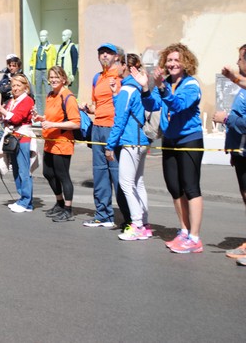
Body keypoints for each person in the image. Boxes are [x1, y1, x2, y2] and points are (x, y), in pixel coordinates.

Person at [134, 43, 204, 254]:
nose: (172, 64)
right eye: (169, 60)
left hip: (189, 139)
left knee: (191, 188)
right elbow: (152, 105)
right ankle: (184, 231)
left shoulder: (191, 85)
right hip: (170, 140)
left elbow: (178, 105)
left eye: (176, 60)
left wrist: (162, 88)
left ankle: (195, 237)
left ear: (186, 63)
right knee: (175, 188)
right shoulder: (166, 84)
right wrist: (146, 88)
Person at [80, 44, 130, 228]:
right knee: (99, 173)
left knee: (118, 175)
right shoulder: (97, 78)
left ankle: (129, 219)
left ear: (117, 57)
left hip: (114, 128)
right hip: (98, 128)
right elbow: (97, 106)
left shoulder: (122, 77)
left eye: (108, 52)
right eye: (101, 52)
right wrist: (87, 108)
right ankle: (103, 215)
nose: (104, 55)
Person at [106, 53, 152, 240]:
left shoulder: (128, 89)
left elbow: (120, 120)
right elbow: (130, 110)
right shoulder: (137, 88)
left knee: (125, 183)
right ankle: (145, 224)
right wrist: (116, 94)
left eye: (117, 62)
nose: (114, 65)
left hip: (131, 141)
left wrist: (110, 146)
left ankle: (137, 225)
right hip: (142, 141)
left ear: (124, 66)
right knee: (138, 183)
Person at [212, 44, 246, 263]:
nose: (237, 62)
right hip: (241, 153)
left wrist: (226, 119)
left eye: (241, 58)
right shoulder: (243, 89)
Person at [33, 66, 80, 222]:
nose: (53, 80)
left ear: (64, 79)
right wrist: (41, 118)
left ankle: (68, 209)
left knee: (62, 175)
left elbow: (75, 123)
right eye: (51, 77)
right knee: (48, 173)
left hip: (62, 142)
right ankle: (59, 203)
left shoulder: (68, 97)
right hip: (49, 141)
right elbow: (51, 117)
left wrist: (53, 124)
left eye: (56, 77)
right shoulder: (50, 95)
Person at [0, 74, 38, 213]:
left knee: (24, 170)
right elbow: (6, 119)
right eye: (14, 85)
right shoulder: (12, 101)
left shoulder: (27, 100)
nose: (15, 88)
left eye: (18, 85)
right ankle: (23, 199)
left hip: (23, 138)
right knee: (16, 169)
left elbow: (16, 119)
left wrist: (2, 109)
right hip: (12, 137)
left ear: (25, 87)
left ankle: (26, 200)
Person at [0, 54, 23, 165]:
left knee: (6, 133)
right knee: (4, 132)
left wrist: (9, 84)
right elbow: (1, 87)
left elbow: (3, 89)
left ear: (18, 67)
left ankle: (2, 157)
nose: (11, 67)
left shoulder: (19, 78)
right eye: (9, 65)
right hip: (5, 108)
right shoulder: (7, 76)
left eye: (13, 65)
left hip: (13, 109)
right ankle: (3, 157)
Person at [29, 30, 57, 115]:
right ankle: (40, 113)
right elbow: (32, 59)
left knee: (49, 92)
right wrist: (31, 69)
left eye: (44, 36)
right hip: (37, 70)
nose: (42, 38)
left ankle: (49, 112)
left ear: (47, 36)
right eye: (41, 36)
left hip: (47, 71)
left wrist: (54, 72)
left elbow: (54, 60)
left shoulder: (51, 47)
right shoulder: (36, 48)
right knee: (38, 93)